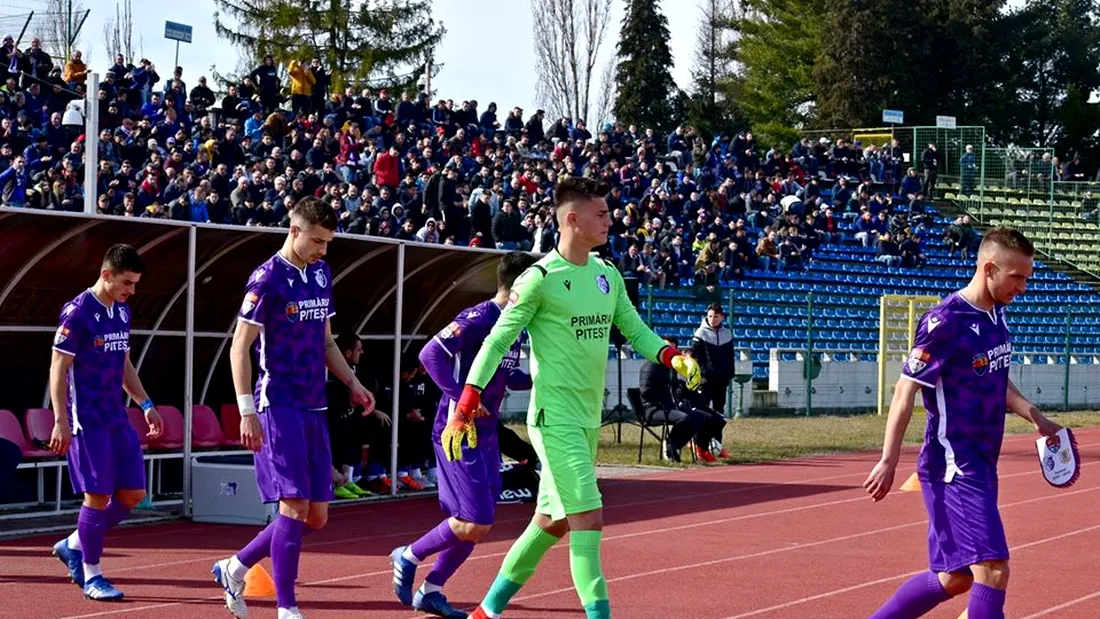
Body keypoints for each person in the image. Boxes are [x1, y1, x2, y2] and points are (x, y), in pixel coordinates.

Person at [454, 177, 701, 619]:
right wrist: (468, 398)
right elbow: (495, 341)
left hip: (587, 418)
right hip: (554, 419)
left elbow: (633, 328)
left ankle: (485, 613)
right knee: (589, 520)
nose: (610, 220)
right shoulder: (539, 280)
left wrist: (670, 356)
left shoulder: (607, 275)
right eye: (601, 214)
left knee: (552, 521)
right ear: (572, 219)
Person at [863, 227, 1063, 619]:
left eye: (1027, 277)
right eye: (1017, 277)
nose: (1022, 287)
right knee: (992, 569)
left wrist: (1035, 416)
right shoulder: (945, 322)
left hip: (981, 464)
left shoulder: (996, 317)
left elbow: (997, 375)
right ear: (989, 268)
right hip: (955, 467)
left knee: (955, 578)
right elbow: (905, 391)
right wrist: (888, 460)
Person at [211, 197, 377, 619]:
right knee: (294, 507)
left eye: (328, 242)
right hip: (278, 403)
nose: (323, 250)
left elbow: (326, 342)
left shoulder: (321, 273)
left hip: (315, 405)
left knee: (317, 516)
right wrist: (247, 409)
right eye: (317, 241)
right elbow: (239, 348)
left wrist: (353, 383)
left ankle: (235, 566)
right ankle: (287, 608)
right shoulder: (265, 280)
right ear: (294, 230)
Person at [390, 251, 537, 618]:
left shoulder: (514, 324)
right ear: (519, 285)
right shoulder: (479, 317)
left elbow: (506, 376)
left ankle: (431, 590)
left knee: (474, 525)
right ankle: (408, 555)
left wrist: (544, 377)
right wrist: (461, 398)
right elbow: (429, 356)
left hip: (487, 435)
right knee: (477, 520)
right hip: (458, 431)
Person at [49, 244, 164, 601]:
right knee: (97, 496)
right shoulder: (77, 313)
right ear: (106, 274)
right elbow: (57, 368)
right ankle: (92, 574)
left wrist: (145, 402)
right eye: (127, 283)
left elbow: (124, 364)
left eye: (135, 284)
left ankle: (73, 543)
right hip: (87, 421)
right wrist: (60, 421)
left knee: (132, 494)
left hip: (117, 417)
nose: (131, 290)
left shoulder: (122, 312)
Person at [326, 332, 391, 499]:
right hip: (326, 424)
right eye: (359, 349)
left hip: (344, 421)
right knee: (335, 437)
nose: (362, 353)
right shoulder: (333, 391)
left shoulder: (356, 378)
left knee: (358, 430)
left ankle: (348, 478)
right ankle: (331, 481)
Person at [639, 339, 727, 463]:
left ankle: (675, 444)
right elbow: (645, 391)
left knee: (699, 418)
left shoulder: (669, 368)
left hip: (670, 406)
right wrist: (665, 396)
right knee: (684, 418)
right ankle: (670, 445)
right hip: (654, 409)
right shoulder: (650, 367)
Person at [691, 303, 735, 415]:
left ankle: (716, 432)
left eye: (716, 316)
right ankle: (700, 433)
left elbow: (730, 356)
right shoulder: (700, 333)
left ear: (722, 317)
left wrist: (729, 373)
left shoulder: (727, 334)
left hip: (721, 379)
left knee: (719, 410)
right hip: (705, 379)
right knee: (701, 408)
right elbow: (694, 355)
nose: (712, 319)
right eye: (710, 316)